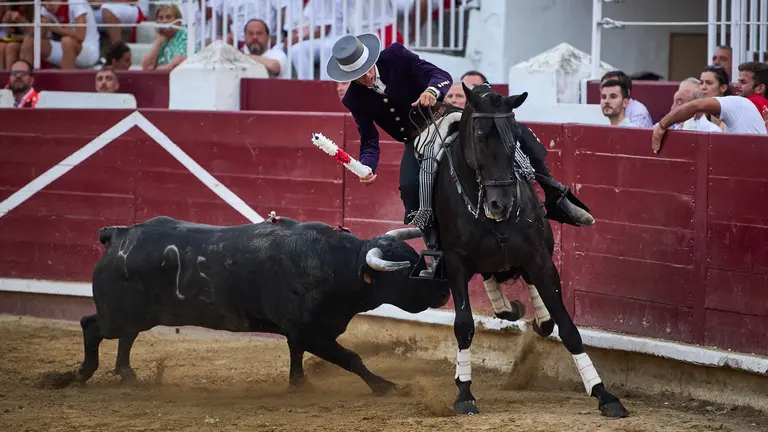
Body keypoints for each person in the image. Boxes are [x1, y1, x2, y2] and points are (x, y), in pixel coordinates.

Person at [326, 34, 594, 275]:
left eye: (366, 70)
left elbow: (439, 74)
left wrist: (432, 91)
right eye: (357, 76)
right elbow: (369, 140)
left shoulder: (395, 55)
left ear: (372, 59)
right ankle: (436, 249)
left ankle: (555, 194)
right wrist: (368, 166)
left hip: (446, 116)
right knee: (409, 187)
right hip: (415, 138)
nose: (365, 78)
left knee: (511, 134)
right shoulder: (354, 99)